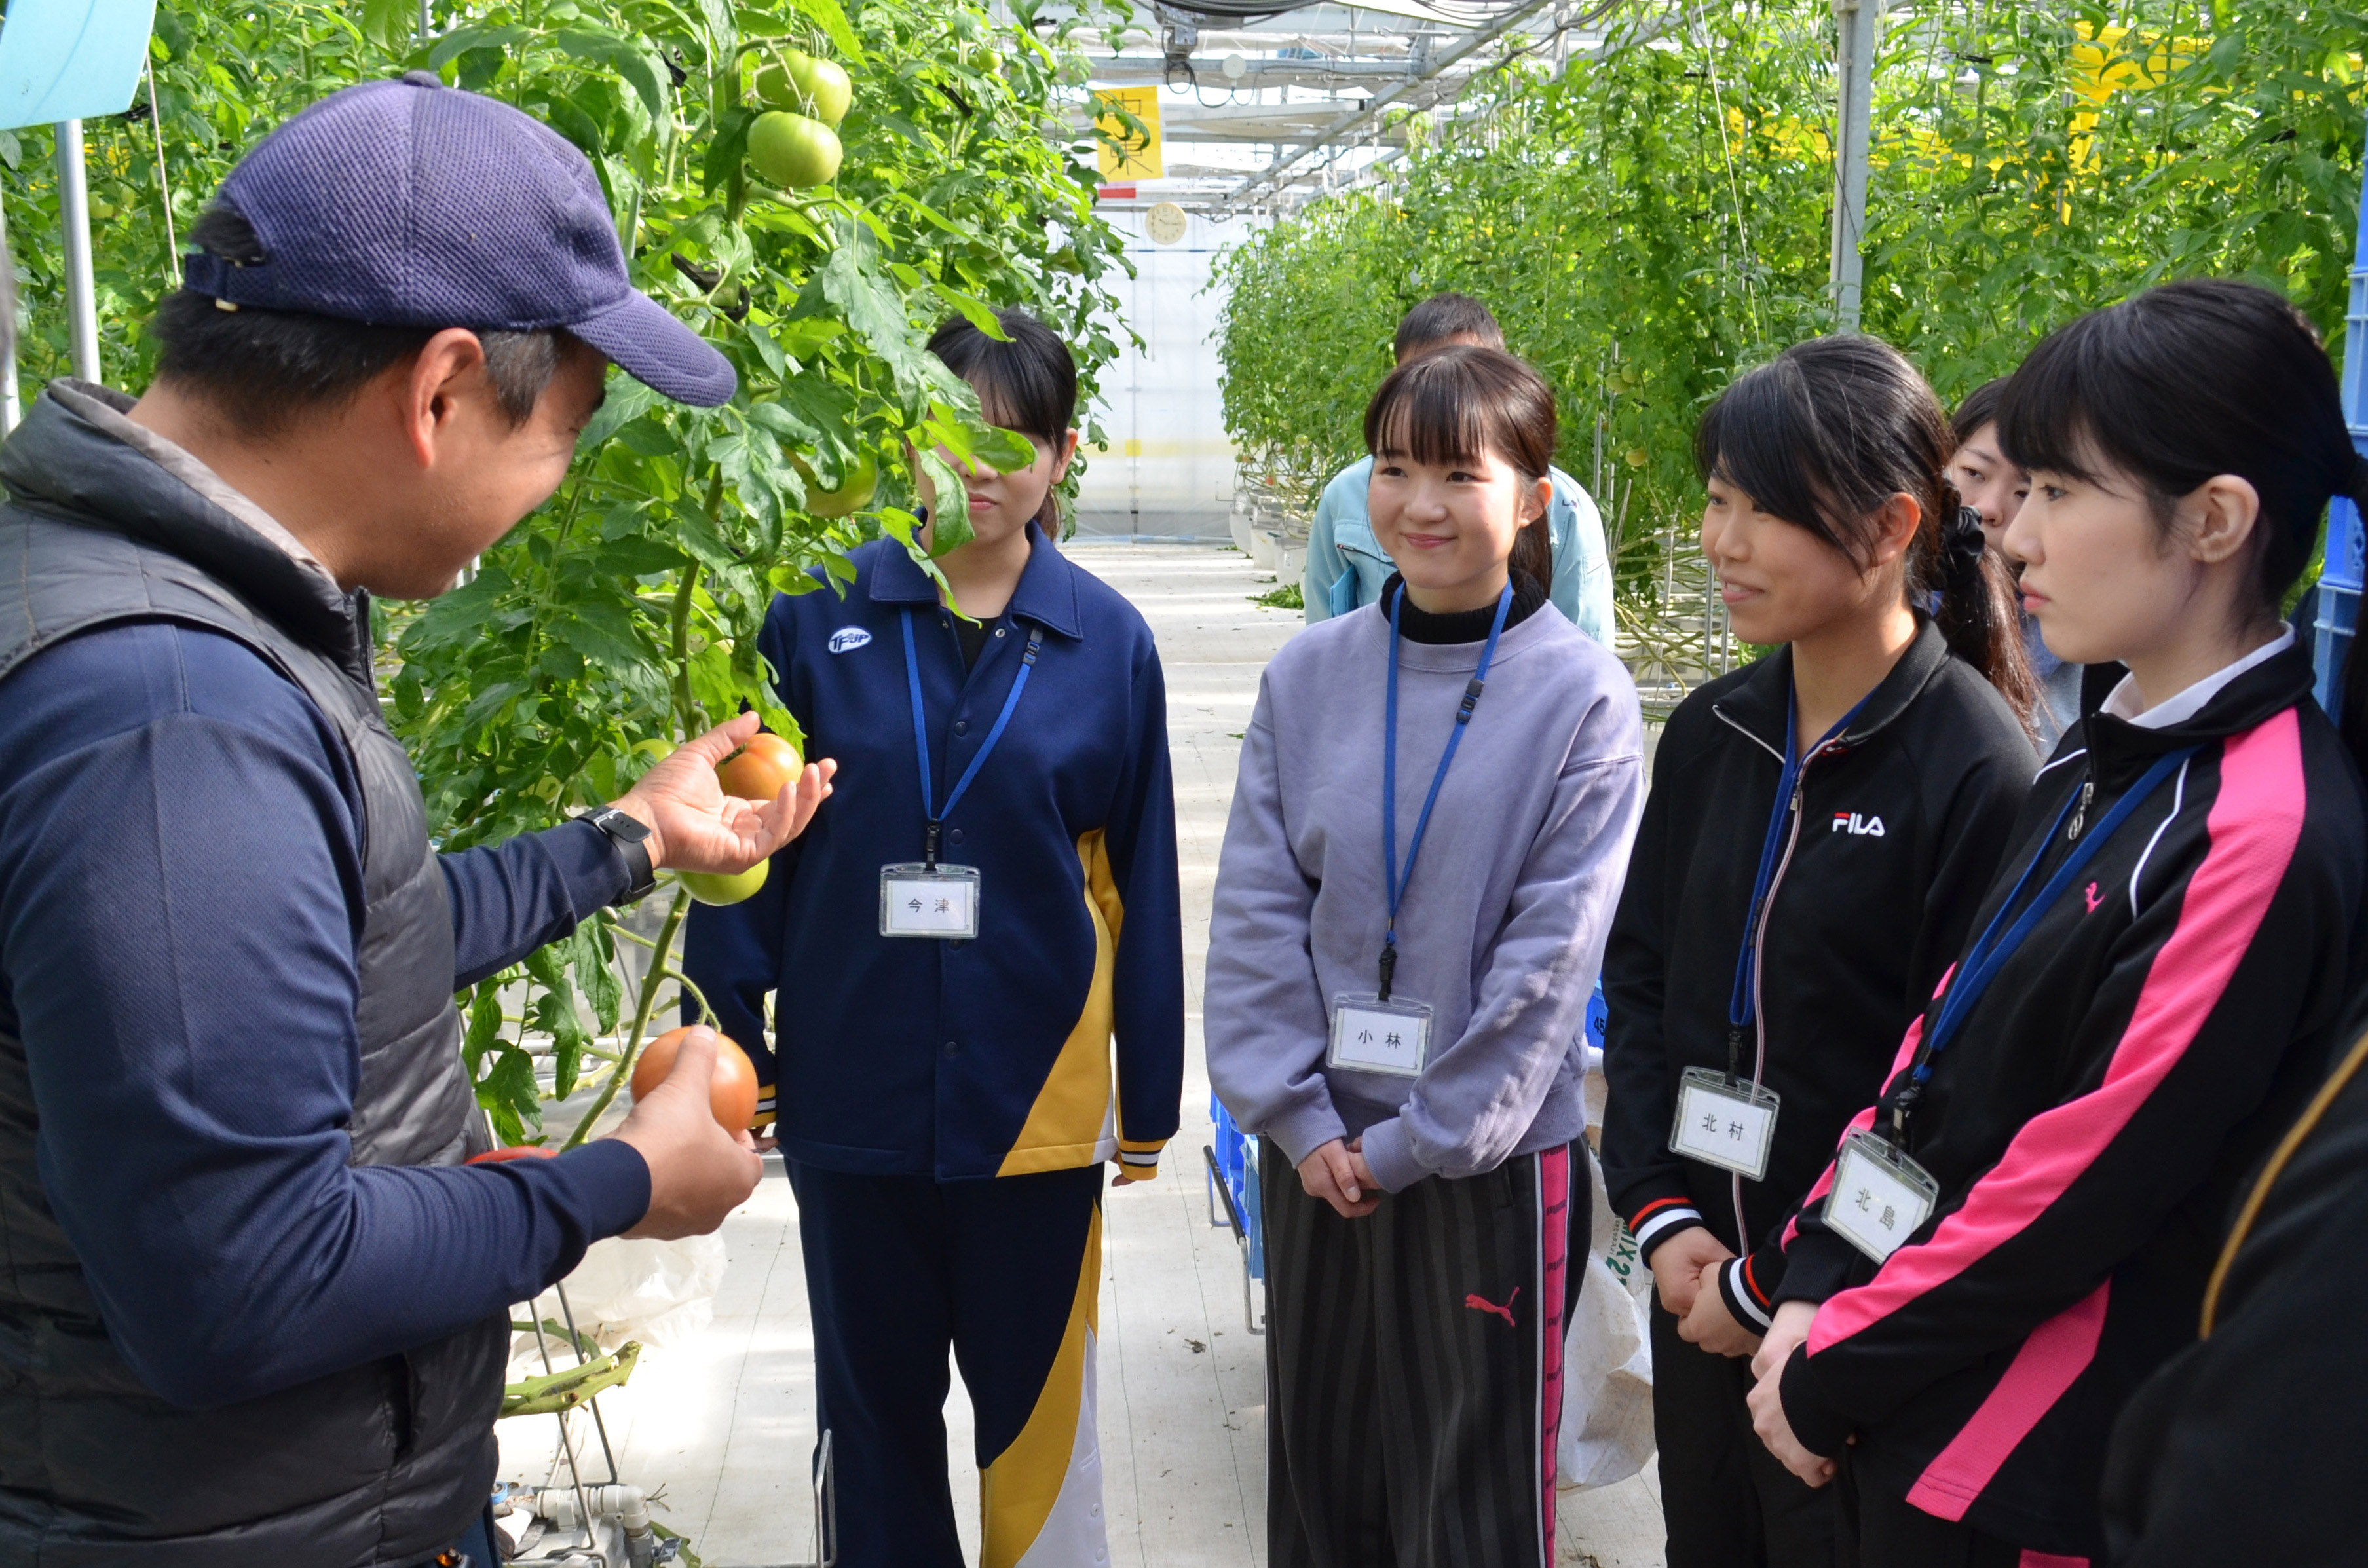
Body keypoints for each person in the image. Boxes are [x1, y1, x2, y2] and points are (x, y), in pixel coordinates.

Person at [0, 75, 832, 1566]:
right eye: (566, 428)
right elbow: (240, 1284)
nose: (557, 482)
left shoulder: (160, 610)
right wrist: (623, 1182)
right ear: (442, 390)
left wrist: (625, 842)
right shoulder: (171, 715)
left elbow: (310, 965)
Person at [1747, 279, 2368, 1568]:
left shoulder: (2257, 826)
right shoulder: (2109, 751)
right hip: (1911, 1395)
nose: (2011, 536)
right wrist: (1813, 1272)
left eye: (2059, 493)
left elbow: (2077, 1184)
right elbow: (1941, 1048)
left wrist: (1830, 1366)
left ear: (2212, 520)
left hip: (2019, 1466)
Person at [679, 308, 1184, 1568]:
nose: (980, 464)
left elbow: (1143, 880)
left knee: (1034, 1425)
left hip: (1037, 1106)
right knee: (874, 1418)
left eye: (1015, 439)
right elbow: (749, 847)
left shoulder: (1106, 642)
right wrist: (737, 1058)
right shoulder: (811, 618)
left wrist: (1151, 1096)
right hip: (856, 1094)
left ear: (1064, 455)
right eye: (951, 431)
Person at [1598, 335, 2039, 1568]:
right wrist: (1660, 1206)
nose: (1718, 540)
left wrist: (1777, 1284)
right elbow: (1639, 984)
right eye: (1717, 500)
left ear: (1893, 522)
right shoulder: (1712, 734)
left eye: (1761, 510)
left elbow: (1950, 1098)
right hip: (1693, 1292)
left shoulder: (1975, 770)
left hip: (1842, 1335)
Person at [1206, 344, 1645, 1567]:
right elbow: (1254, 913)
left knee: (1478, 1503)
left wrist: (1415, 1139)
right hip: (1319, 1154)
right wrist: (1298, 1119)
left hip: (1484, 1164)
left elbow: (1549, 970)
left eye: (1461, 471)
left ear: (1531, 499)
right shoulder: (1309, 676)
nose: (1422, 503)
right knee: (1323, 1484)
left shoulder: (1581, 698)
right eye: (1395, 467)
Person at [1304, 293, 1617, 644]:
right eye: (1424, 376)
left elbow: (1585, 641)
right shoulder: (1345, 495)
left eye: (1461, 477)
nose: (1423, 508)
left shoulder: (1565, 507)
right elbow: (1324, 629)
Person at [1952, 377, 2084, 747]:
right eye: (1974, 474)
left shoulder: (2088, 656)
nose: (1987, 509)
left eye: (2025, 492)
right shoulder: (1878, 609)